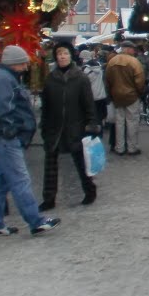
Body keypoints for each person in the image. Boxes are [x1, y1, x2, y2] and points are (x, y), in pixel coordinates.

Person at [0, 45, 60, 238]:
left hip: (2, 138)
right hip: (5, 139)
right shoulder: (3, 79)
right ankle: (36, 221)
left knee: (0, 182)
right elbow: (3, 110)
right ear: (14, 63)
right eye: (23, 62)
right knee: (20, 180)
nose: (26, 66)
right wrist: (12, 131)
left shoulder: (4, 78)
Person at [39, 41, 98, 210]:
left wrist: (91, 124)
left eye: (65, 53)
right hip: (54, 127)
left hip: (75, 127)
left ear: (71, 55)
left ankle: (89, 190)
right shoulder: (50, 79)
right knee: (50, 164)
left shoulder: (80, 78)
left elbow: (88, 104)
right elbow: (46, 105)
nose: (62, 56)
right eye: (59, 54)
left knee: (81, 162)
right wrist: (44, 126)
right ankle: (49, 198)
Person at [104, 40, 146, 155]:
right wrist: (139, 92)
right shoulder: (134, 62)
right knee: (132, 122)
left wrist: (111, 94)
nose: (134, 51)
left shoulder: (112, 61)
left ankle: (119, 147)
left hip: (116, 96)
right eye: (133, 49)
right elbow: (140, 81)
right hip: (131, 96)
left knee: (119, 122)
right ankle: (132, 147)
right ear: (128, 49)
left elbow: (107, 80)